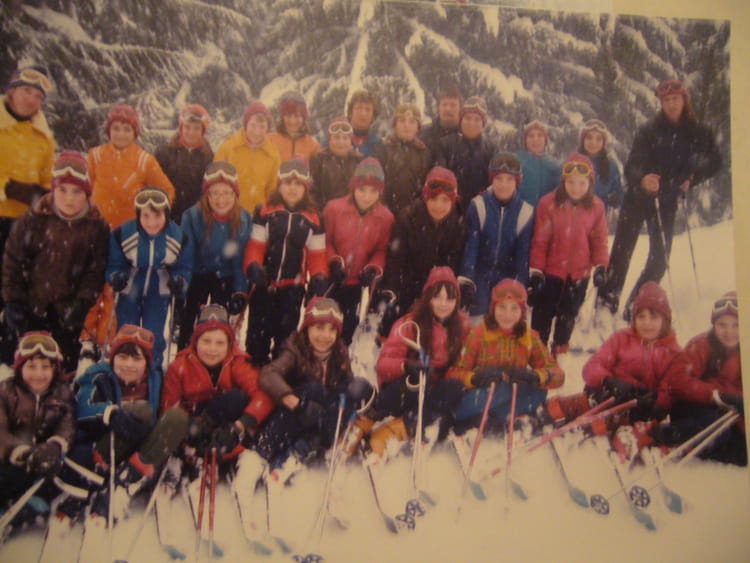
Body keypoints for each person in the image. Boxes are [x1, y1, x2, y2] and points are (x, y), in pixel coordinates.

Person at [597, 79, 721, 319]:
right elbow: (631, 167)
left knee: (660, 260)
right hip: (637, 199)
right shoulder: (649, 130)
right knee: (621, 254)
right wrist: (642, 179)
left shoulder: (696, 131)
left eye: (676, 99)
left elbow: (715, 161)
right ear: (661, 103)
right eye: (666, 100)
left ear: (684, 100)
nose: (672, 104)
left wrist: (692, 179)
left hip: (666, 202)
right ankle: (604, 308)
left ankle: (636, 307)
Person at [56, 325, 188, 522]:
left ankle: (127, 482)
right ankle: (89, 488)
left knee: (177, 417)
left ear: (147, 362)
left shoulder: (156, 378)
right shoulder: (97, 375)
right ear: (112, 357)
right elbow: (82, 407)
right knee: (140, 412)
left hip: (141, 452)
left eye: (137, 359)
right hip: (109, 448)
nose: (129, 365)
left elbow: (170, 407)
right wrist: (110, 413)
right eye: (123, 357)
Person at [160, 305, 275, 521]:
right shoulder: (180, 366)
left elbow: (263, 396)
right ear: (196, 341)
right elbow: (169, 409)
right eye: (206, 341)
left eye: (220, 343)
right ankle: (193, 458)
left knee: (237, 399)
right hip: (193, 426)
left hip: (224, 428)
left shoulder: (237, 362)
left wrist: (239, 427)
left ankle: (224, 454)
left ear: (230, 343)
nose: (212, 349)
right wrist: (188, 433)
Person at [2, 151, 109, 373]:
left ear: (87, 193)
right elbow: (13, 262)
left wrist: (81, 303)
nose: (69, 198)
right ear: (53, 189)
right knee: (23, 368)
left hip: (67, 313)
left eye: (77, 191)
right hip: (30, 306)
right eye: (62, 190)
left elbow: (95, 270)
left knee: (61, 370)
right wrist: (14, 301)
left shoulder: (96, 226)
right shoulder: (34, 218)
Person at [252, 298, 374, 478]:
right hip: (291, 418)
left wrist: (358, 394)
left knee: (349, 393)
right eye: (319, 328)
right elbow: (268, 375)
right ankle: (262, 452)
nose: (325, 336)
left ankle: (299, 452)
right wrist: (297, 404)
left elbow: (344, 387)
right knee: (314, 389)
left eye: (332, 329)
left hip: (317, 421)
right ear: (307, 327)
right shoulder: (295, 348)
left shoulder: (339, 352)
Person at [362, 267, 470, 458]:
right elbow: (383, 365)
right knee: (417, 382)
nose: (443, 304)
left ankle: (397, 430)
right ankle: (364, 424)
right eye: (438, 297)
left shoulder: (462, 326)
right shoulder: (409, 323)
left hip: (434, 396)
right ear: (428, 297)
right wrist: (406, 365)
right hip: (408, 391)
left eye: (450, 299)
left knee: (455, 388)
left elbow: (466, 361)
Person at [448, 279, 564, 435]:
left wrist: (535, 376)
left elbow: (558, 374)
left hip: (511, 395)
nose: (507, 315)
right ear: (493, 308)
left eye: (514, 308)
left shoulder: (529, 337)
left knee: (538, 390)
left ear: (522, 311)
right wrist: (475, 377)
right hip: (480, 396)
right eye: (502, 307)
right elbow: (453, 374)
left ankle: (494, 419)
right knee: (501, 389)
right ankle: (480, 418)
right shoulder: (479, 334)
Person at [243, 159, 328, 365]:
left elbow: (317, 254)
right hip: (265, 284)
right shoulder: (265, 211)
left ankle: (279, 375)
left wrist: (319, 275)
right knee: (257, 338)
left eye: (298, 184)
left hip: (292, 288)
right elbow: (256, 245)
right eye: (288, 183)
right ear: (279, 185)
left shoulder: (313, 218)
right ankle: (254, 373)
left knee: (286, 339)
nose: (292, 189)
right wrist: (253, 265)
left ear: (306, 188)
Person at [528, 152, 609, 357]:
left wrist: (600, 266)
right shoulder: (548, 204)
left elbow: (599, 241)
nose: (576, 188)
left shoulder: (597, 207)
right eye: (571, 182)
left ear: (590, 184)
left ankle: (559, 352)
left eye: (582, 183)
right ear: (564, 181)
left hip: (579, 276)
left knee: (568, 317)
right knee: (542, 316)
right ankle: (538, 354)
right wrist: (536, 271)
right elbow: (540, 241)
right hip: (551, 274)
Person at [0, 66, 56, 362]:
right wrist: (8, 188)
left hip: (23, 225)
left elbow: (48, 181)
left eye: (38, 96)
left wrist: (42, 197)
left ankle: (9, 354)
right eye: (26, 91)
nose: (31, 99)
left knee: (16, 290)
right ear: (12, 90)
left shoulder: (43, 136)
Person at [106, 186, 193, 372]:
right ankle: (123, 369)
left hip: (158, 290)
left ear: (166, 214)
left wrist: (179, 280)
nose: (152, 223)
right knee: (126, 331)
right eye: (146, 216)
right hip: (130, 287)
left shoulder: (178, 237)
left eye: (157, 216)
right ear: (138, 215)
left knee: (153, 334)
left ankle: (152, 371)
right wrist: (116, 277)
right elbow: (114, 263)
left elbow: (184, 266)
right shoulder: (124, 233)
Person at [380, 166, 465, 339]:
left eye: (445, 200)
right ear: (425, 198)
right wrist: (391, 290)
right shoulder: (407, 218)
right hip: (408, 282)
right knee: (396, 322)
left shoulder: (458, 224)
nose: (439, 206)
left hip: (437, 285)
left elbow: (454, 263)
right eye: (434, 199)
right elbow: (395, 260)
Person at [660, 291, 745, 465]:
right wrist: (716, 395)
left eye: (736, 325)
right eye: (722, 325)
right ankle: (657, 435)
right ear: (714, 325)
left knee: (742, 450)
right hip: (692, 406)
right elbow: (678, 380)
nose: (729, 332)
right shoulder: (701, 344)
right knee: (716, 427)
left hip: (728, 413)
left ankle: (690, 446)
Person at [0, 332, 74, 531]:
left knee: (63, 470)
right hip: (12, 461)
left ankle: (32, 505)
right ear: (20, 368)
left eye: (45, 367)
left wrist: (55, 445)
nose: (39, 374)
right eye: (31, 367)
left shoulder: (62, 393)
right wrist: (21, 452)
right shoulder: (6, 391)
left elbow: (67, 425)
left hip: (43, 463)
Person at [178, 162, 252, 348]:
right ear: (207, 195)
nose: (221, 200)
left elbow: (240, 259)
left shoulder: (243, 219)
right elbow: (186, 254)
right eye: (215, 193)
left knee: (220, 322)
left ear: (235, 194)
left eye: (227, 193)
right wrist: (182, 283)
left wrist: (240, 290)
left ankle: (219, 355)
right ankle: (185, 352)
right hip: (198, 273)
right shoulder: (192, 217)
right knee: (190, 319)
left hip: (225, 275)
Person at [323, 158, 394, 344]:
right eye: (362, 189)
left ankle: (341, 355)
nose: (366, 197)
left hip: (357, 283)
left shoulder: (385, 218)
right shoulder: (334, 209)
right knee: (324, 323)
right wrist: (333, 261)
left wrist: (372, 269)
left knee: (347, 328)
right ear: (353, 188)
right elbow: (325, 240)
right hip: (332, 279)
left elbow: (381, 249)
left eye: (373, 191)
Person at [460, 152, 534, 318]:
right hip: (480, 274)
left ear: (517, 182)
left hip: (506, 276)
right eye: (499, 179)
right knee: (477, 317)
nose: (503, 185)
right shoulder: (478, 205)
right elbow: (471, 248)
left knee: (503, 317)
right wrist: (467, 280)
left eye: (509, 180)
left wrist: (521, 286)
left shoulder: (525, 212)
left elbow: (522, 256)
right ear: (492, 180)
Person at [89, 104, 175, 229]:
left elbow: (167, 191)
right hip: (97, 229)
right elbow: (84, 190)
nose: (121, 134)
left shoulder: (144, 161)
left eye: (127, 130)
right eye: (116, 128)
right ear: (109, 131)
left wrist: (153, 219)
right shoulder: (95, 156)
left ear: (135, 133)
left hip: (131, 231)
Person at [214, 101, 281, 214]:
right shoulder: (228, 148)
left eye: (262, 127)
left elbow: (272, 190)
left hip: (257, 216)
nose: (257, 132)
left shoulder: (273, 155)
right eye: (253, 125)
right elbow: (214, 183)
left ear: (267, 128)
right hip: (228, 213)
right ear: (246, 124)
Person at [154, 104, 214, 223]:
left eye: (196, 128)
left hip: (195, 219)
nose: (191, 132)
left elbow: (208, 191)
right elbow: (154, 185)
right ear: (181, 128)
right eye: (187, 127)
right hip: (167, 216)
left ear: (203, 131)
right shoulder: (164, 153)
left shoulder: (208, 157)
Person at [435, 96, 497, 207]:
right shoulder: (445, 144)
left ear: (483, 123)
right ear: (461, 120)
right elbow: (440, 176)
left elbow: (495, 181)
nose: (471, 123)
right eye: (467, 118)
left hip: (480, 207)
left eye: (477, 119)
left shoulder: (491, 148)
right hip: (450, 206)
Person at [373, 103, 432, 215]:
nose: (406, 125)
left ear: (418, 127)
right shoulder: (384, 149)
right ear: (395, 124)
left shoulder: (424, 152)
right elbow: (376, 182)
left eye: (412, 122)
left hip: (415, 214)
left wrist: (415, 208)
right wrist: (384, 207)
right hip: (386, 212)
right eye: (402, 121)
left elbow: (426, 185)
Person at [310, 116, 363, 209]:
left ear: (351, 141)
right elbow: (313, 192)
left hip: (352, 213)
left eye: (345, 138)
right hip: (325, 212)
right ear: (329, 140)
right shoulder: (319, 160)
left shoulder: (358, 161)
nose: (341, 142)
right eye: (336, 138)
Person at [577, 119, 623, 212]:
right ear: (583, 140)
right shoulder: (572, 163)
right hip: (575, 216)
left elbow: (618, 194)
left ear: (603, 142)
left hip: (599, 217)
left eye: (598, 139)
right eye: (589, 137)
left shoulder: (610, 166)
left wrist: (614, 198)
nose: (593, 143)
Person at [515, 120, 561, 207]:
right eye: (531, 136)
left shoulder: (554, 165)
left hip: (544, 211)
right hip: (520, 210)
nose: (535, 139)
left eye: (540, 135)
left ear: (545, 140)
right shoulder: (516, 160)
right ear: (525, 140)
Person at [268, 91, 321, 164]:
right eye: (288, 116)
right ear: (282, 118)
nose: (292, 121)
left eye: (297, 116)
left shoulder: (313, 146)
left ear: (303, 118)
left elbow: (318, 169)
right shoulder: (270, 140)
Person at [419, 84, 462, 162]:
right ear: (438, 108)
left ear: (460, 109)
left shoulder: (467, 136)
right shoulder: (424, 134)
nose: (448, 109)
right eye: (444, 105)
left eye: (453, 105)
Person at [346, 89, 381, 158]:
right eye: (359, 108)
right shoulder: (336, 141)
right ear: (350, 113)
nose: (363, 114)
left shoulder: (378, 146)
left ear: (373, 117)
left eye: (368, 110)